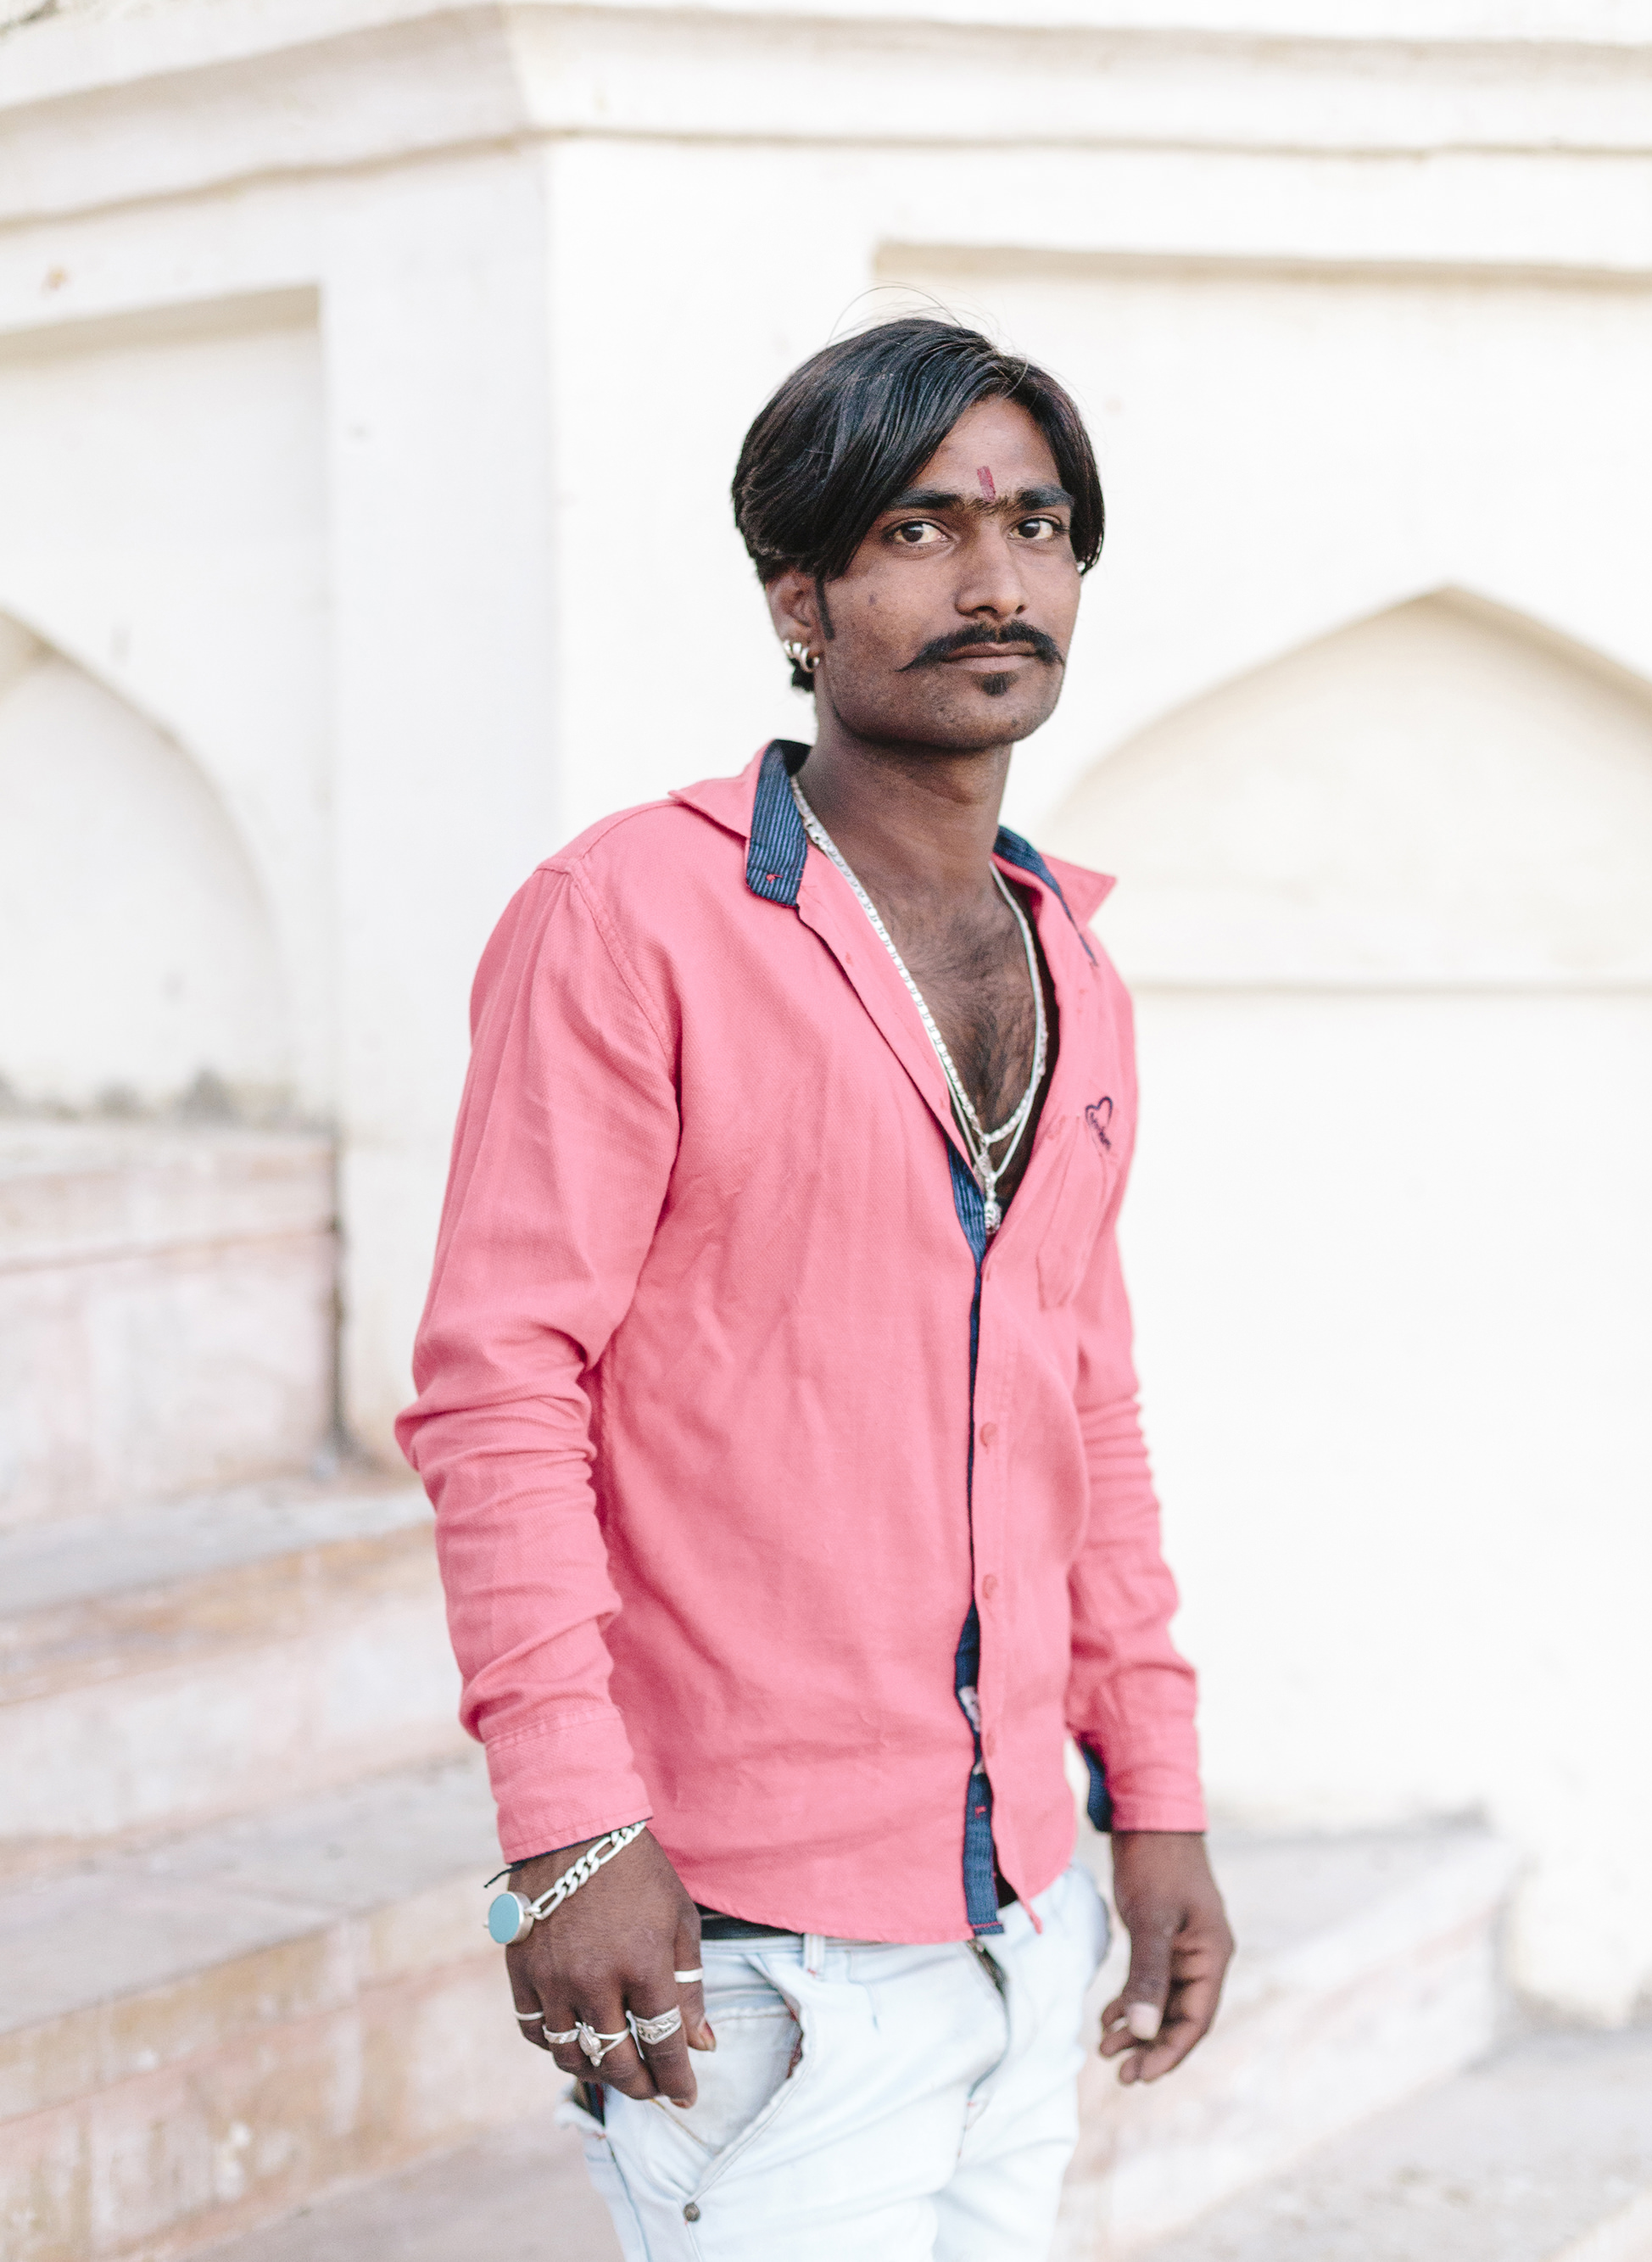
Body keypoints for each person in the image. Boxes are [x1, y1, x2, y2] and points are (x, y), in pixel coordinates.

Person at [398, 315, 1233, 2259]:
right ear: (800, 594)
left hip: (1024, 1905)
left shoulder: (1068, 958)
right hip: (751, 1926)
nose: (995, 577)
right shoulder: (628, 920)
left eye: (1036, 525)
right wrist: (567, 1829)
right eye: (920, 530)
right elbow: (497, 1385)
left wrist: (1156, 1792)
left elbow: (1077, 1398)